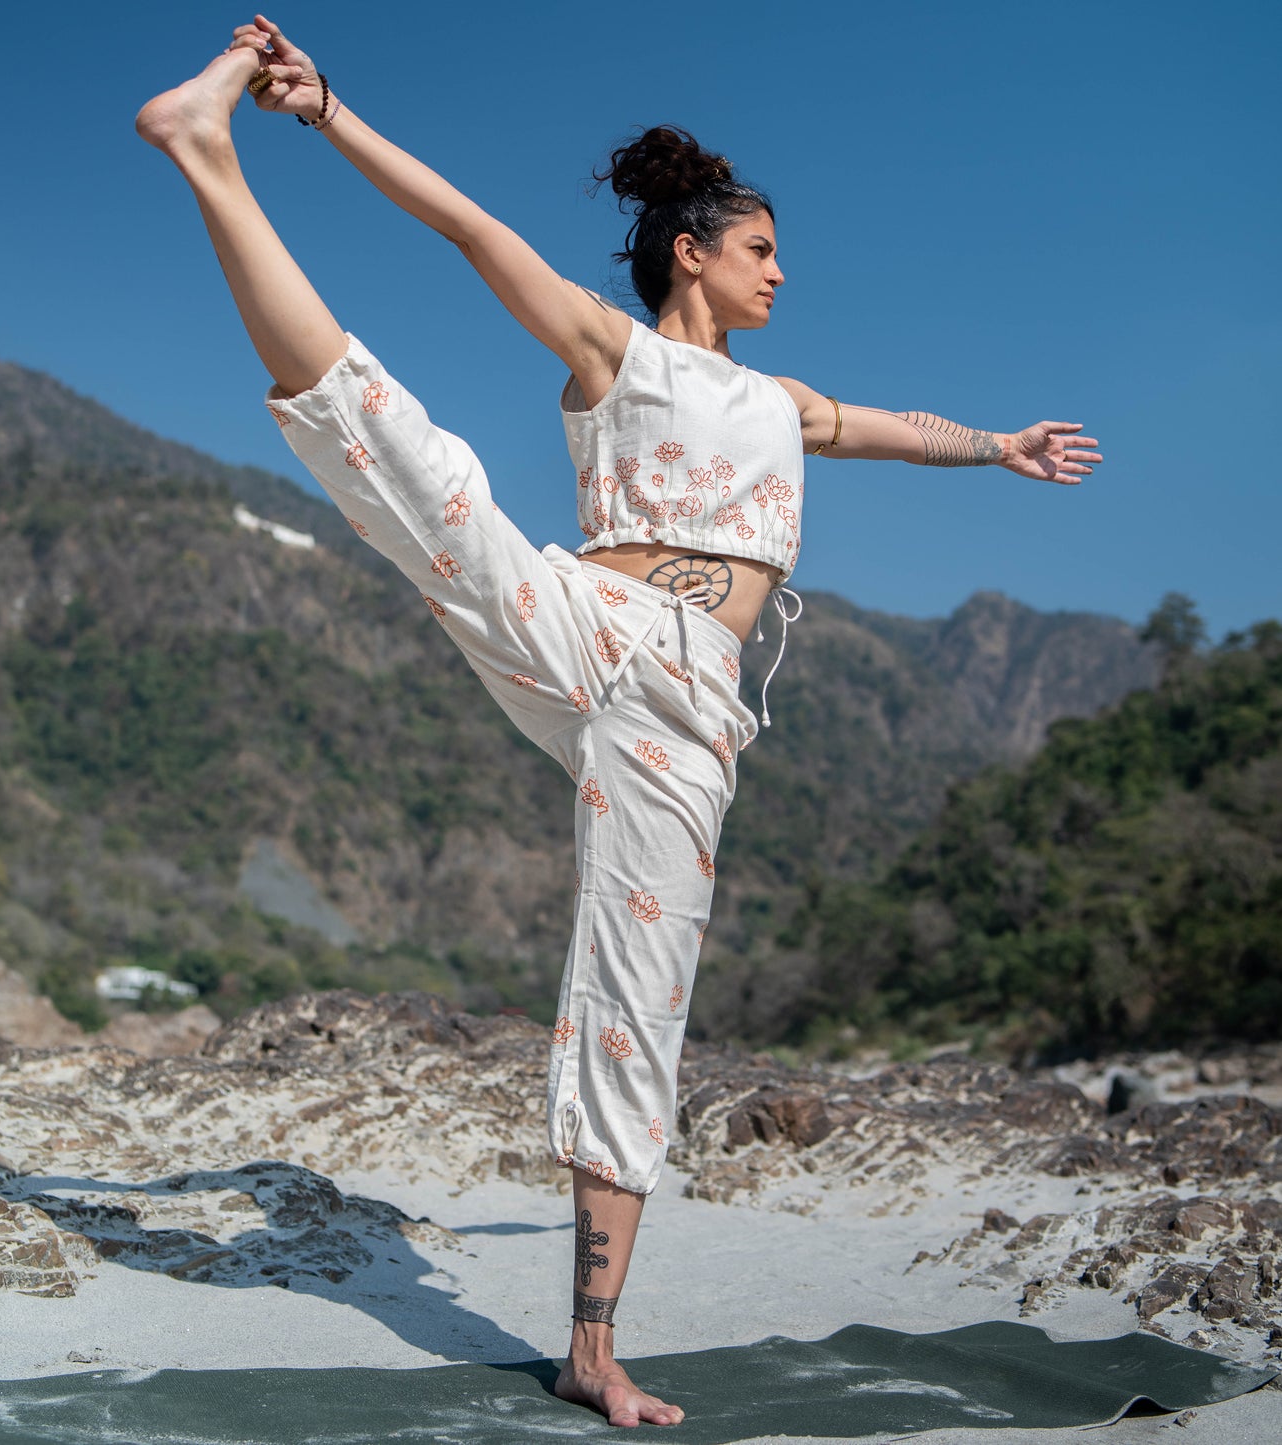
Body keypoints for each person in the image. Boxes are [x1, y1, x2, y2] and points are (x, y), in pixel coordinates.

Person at [136, 17, 1102, 1428]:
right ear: (691, 253)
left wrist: (996, 446)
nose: (782, 270)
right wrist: (326, 113)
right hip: (587, 617)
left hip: (691, 702)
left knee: (638, 989)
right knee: (411, 464)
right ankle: (208, 157)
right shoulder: (616, 354)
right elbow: (467, 226)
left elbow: (894, 423)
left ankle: (592, 1344)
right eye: (761, 248)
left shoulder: (782, 400)